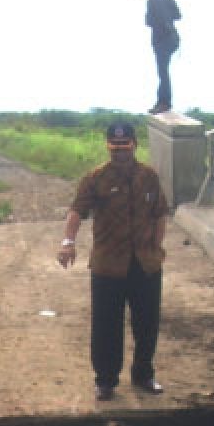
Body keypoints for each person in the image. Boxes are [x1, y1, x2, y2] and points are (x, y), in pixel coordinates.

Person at [57, 121, 170, 402]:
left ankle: (144, 374)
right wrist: (68, 243)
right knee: (106, 324)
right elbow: (76, 212)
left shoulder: (149, 177)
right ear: (109, 147)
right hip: (108, 264)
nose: (120, 153)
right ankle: (106, 380)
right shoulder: (95, 178)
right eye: (115, 148)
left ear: (134, 145)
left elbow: (159, 213)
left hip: (145, 263)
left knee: (147, 323)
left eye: (125, 147)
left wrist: (156, 245)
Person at [140, 0, 181, 115]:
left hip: (162, 39)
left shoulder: (152, 1)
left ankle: (164, 103)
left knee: (163, 72)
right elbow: (178, 15)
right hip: (173, 39)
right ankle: (162, 102)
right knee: (164, 72)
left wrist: (161, 24)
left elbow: (149, 21)